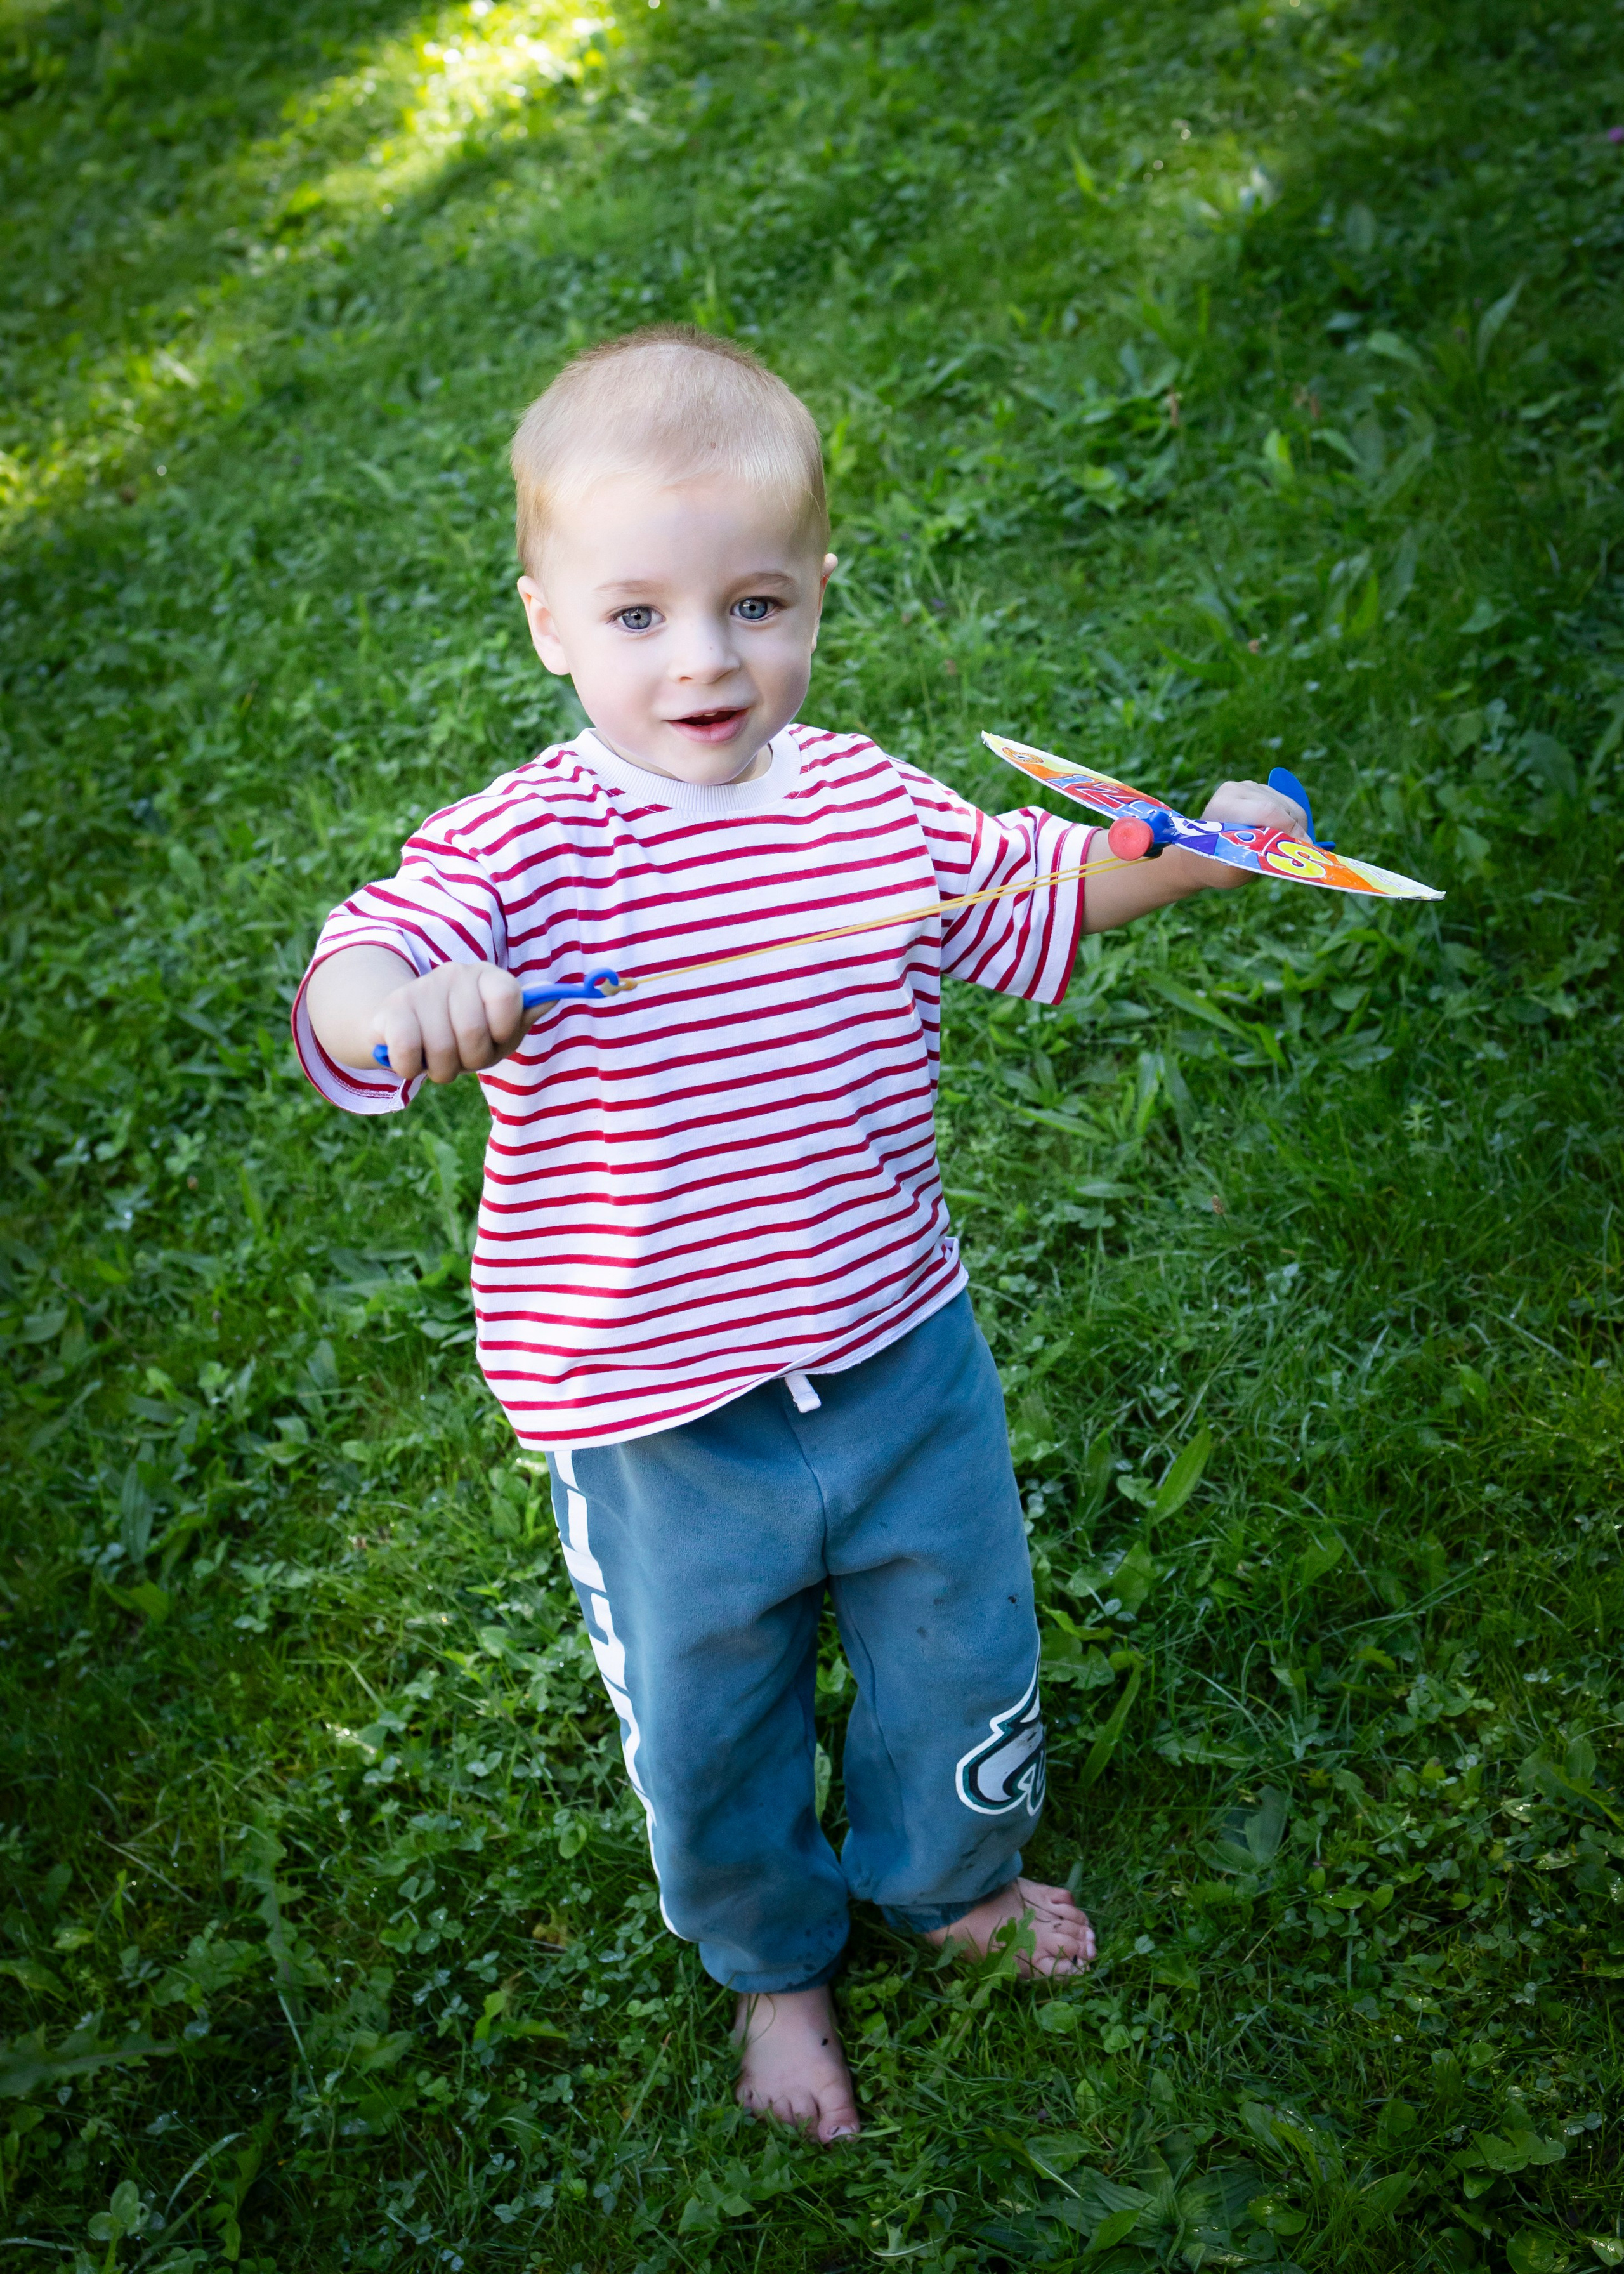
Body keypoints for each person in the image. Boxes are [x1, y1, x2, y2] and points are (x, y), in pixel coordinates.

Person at [294, 325, 1307, 2143]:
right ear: (547, 624)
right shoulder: (517, 854)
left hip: (901, 1346)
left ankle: (951, 1879)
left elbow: (1038, 881)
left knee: (957, 1641)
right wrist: (407, 1005)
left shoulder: (871, 807)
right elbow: (357, 969)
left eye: (754, 604)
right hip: (654, 1412)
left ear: (819, 595)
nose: (704, 660)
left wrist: (1205, 849)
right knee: (707, 1719)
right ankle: (775, 1959)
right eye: (638, 618)